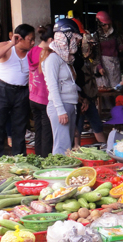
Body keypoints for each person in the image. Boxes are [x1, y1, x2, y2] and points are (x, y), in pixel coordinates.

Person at [0, 24, 35, 160]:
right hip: (2, 90)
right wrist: (11, 44)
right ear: (20, 39)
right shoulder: (5, 47)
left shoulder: (32, 52)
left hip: (22, 92)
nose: (32, 43)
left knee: (19, 128)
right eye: (30, 39)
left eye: (33, 40)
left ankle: (19, 159)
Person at [41, 18, 81, 155]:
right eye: (75, 38)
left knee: (67, 146)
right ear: (66, 38)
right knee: (61, 148)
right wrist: (60, 110)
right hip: (61, 105)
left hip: (70, 104)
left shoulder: (65, 59)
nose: (77, 42)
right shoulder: (53, 58)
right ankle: (58, 173)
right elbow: (52, 85)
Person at [74, 28, 106, 146]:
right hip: (80, 98)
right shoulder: (77, 61)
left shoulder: (88, 60)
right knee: (78, 126)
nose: (91, 47)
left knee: (96, 124)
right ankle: (75, 149)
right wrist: (83, 98)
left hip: (88, 97)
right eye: (89, 44)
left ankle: (104, 147)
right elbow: (78, 81)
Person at [28, 24, 54, 157]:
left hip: (33, 96)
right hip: (45, 97)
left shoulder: (32, 51)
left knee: (38, 130)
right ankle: (45, 160)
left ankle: (38, 157)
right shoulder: (49, 53)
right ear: (50, 40)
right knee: (47, 132)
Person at [95, 11, 123, 87]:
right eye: (104, 25)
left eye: (108, 24)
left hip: (115, 62)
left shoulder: (115, 34)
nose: (107, 27)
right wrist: (99, 66)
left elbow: (120, 45)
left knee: (116, 86)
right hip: (104, 63)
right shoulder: (97, 35)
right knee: (105, 87)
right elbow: (96, 53)